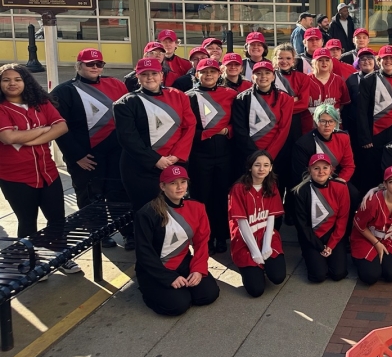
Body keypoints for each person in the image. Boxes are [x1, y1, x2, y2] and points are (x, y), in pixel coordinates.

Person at [0, 64, 80, 274]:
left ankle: (61, 256)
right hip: (16, 177)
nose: (12, 83)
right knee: (27, 221)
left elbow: (61, 127)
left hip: (48, 172)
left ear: (26, 81)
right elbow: (7, 137)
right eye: (6, 79)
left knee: (57, 219)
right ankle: (30, 262)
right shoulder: (2, 108)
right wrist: (45, 129)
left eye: (17, 79)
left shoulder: (40, 103)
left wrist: (33, 139)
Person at [114, 58, 196, 246]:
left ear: (162, 75)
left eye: (154, 73)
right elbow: (128, 138)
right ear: (138, 77)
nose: (149, 77)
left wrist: (176, 156)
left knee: (175, 208)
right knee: (146, 212)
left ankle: (176, 251)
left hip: (175, 164)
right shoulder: (125, 103)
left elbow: (189, 126)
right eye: (144, 74)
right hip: (140, 169)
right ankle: (148, 254)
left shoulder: (179, 96)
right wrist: (155, 160)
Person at [50, 49, 129, 223]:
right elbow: (58, 128)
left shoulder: (116, 84)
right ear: (78, 65)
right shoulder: (63, 91)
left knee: (118, 191)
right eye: (90, 64)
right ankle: (96, 233)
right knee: (90, 194)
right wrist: (75, 156)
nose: (95, 67)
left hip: (116, 151)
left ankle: (126, 232)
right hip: (86, 154)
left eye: (99, 64)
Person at [134, 165, 219, 315]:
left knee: (208, 294)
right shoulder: (147, 213)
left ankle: (180, 290)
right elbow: (143, 252)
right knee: (178, 305)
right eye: (173, 183)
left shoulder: (197, 207)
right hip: (155, 268)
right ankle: (149, 292)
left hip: (182, 261)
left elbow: (202, 242)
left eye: (183, 182)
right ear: (162, 186)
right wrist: (168, 278)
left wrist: (198, 269)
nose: (180, 187)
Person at [186, 58, 235, 254]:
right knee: (201, 198)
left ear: (219, 74)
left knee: (222, 196)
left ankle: (221, 236)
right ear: (197, 74)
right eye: (204, 71)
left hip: (225, 154)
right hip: (200, 155)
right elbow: (186, 128)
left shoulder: (231, 94)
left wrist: (227, 130)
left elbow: (238, 123)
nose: (209, 75)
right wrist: (208, 133)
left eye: (213, 71)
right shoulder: (188, 97)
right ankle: (203, 238)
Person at [357, 45, 392, 192]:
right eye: (385, 58)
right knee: (372, 173)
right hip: (373, 136)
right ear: (379, 60)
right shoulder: (367, 80)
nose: (388, 61)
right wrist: (365, 138)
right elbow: (361, 112)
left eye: (391, 58)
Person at [231, 61, 294, 196]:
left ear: (273, 76)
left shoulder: (285, 98)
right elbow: (240, 130)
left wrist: (267, 157)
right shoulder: (241, 99)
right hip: (248, 156)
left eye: (267, 73)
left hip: (276, 155)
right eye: (258, 73)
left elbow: (284, 129)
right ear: (252, 77)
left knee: (274, 193)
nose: (263, 76)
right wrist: (256, 156)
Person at [228, 151, 286, 297]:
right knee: (256, 290)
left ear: (271, 168)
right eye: (257, 165)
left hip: (267, 235)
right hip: (245, 241)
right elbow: (241, 223)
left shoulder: (271, 186)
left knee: (278, 277)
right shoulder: (238, 189)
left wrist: (267, 245)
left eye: (266, 165)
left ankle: (264, 265)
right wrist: (254, 251)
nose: (262, 169)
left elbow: (272, 216)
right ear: (250, 167)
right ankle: (252, 269)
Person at [289, 153, 350, 283]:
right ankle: (311, 255)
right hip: (312, 237)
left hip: (333, 236)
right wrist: (320, 247)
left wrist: (331, 245)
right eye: (316, 168)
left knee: (338, 274)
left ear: (331, 170)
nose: (321, 171)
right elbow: (302, 225)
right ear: (309, 170)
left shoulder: (341, 188)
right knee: (318, 276)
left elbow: (342, 219)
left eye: (325, 168)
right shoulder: (301, 191)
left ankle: (327, 256)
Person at [351, 166, 392, 285]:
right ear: (385, 184)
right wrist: (376, 243)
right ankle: (358, 260)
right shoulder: (372, 201)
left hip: (389, 239)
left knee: (391, 274)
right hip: (366, 237)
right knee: (370, 276)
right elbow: (359, 224)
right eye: (391, 181)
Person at [293, 104, 355, 187]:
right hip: (311, 182)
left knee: (355, 195)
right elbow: (300, 174)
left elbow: (349, 166)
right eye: (323, 121)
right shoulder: (303, 143)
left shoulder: (343, 138)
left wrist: (340, 180)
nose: (327, 125)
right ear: (316, 121)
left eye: (331, 121)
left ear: (336, 122)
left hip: (335, 179)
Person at [272, 43, 313, 148]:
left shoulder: (302, 78)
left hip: (294, 122)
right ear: (275, 59)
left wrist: (279, 108)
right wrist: (292, 100)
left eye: (288, 58)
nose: (284, 61)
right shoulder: (269, 76)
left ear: (293, 60)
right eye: (280, 58)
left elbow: (303, 104)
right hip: (274, 122)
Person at [342, 47, 375, 156]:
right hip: (356, 126)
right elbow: (346, 105)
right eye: (363, 59)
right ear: (358, 63)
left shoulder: (381, 78)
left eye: (370, 58)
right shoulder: (351, 80)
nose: (366, 61)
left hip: (376, 125)